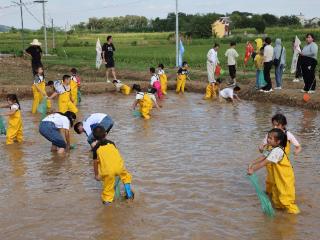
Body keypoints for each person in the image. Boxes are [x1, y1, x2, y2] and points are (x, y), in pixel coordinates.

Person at [248, 128, 300, 214]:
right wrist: (252, 163)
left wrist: (252, 170)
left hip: (285, 178)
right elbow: (263, 157)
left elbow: (265, 162)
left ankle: (295, 216)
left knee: (286, 198)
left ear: (278, 141)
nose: (268, 139)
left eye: (270, 138)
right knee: (276, 197)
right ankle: (281, 217)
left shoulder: (278, 151)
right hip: (278, 177)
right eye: (268, 137)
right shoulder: (271, 148)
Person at [259, 113, 302, 196]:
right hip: (270, 163)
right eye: (273, 125)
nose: (275, 127)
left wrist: (296, 152)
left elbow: (298, 146)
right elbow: (262, 145)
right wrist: (260, 148)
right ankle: (269, 195)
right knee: (270, 180)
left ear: (283, 125)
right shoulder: (270, 134)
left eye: (277, 125)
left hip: (281, 164)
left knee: (282, 182)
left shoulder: (288, 135)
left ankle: (282, 199)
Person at [92, 126, 134, 205]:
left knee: (108, 190)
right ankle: (129, 194)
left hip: (108, 172)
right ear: (106, 134)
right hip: (120, 167)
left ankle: (108, 205)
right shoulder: (112, 143)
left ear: (94, 137)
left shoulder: (96, 149)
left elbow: (95, 163)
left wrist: (96, 175)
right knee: (126, 177)